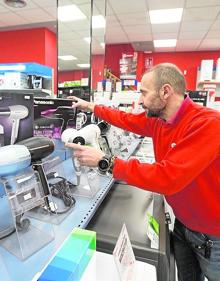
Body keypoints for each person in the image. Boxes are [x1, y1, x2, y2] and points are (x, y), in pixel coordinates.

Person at [66, 63, 220, 281]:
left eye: (144, 93)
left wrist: (106, 162)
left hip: (212, 236)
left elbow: (167, 178)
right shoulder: (160, 120)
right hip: (182, 225)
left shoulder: (207, 124)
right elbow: (126, 119)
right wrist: (91, 107)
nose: (139, 100)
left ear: (165, 92)